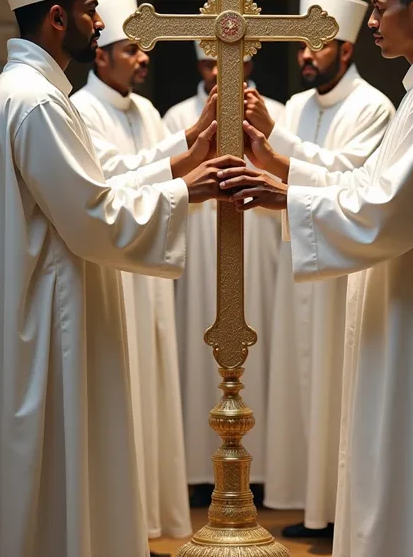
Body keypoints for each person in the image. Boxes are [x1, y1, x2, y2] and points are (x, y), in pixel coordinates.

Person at [218, 0, 413, 557]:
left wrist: (286, 196)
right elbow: (369, 185)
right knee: (387, 456)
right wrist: (288, 183)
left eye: (380, 8)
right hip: (400, 296)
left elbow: (390, 208)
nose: (373, 22)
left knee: (407, 457)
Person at [0, 0, 243, 557]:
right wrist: (189, 191)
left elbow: (97, 184)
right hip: (54, 314)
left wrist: (177, 164)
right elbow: (94, 214)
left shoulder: (22, 92)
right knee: (63, 465)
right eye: (88, 9)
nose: (100, 21)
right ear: (58, 19)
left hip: (41, 302)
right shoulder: (38, 103)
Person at [243, 0, 394, 537]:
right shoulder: (303, 105)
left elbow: (352, 178)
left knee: (336, 384)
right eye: (303, 48)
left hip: (342, 267)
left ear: (347, 50)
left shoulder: (374, 107)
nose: (307, 57)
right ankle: (311, 506)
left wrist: (276, 138)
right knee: (301, 386)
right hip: (298, 262)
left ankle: (338, 511)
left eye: (319, 46)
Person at [72, 0, 218, 542]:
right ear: (101, 53)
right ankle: (118, 529)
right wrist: (188, 142)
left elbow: (165, 169)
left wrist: (198, 137)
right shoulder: (82, 111)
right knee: (121, 397)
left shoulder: (146, 110)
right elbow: (114, 180)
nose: (144, 57)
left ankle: (150, 522)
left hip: (147, 281)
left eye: (144, 49)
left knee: (152, 390)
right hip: (113, 274)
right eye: (131, 48)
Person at [163, 42, 284, 507]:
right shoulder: (177, 116)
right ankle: (199, 470)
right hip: (197, 246)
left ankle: (257, 471)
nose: (221, 68)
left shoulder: (270, 114)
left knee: (258, 343)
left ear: (249, 62)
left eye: (231, 59)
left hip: (257, 244)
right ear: (199, 64)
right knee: (196, 347)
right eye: (211, 60)